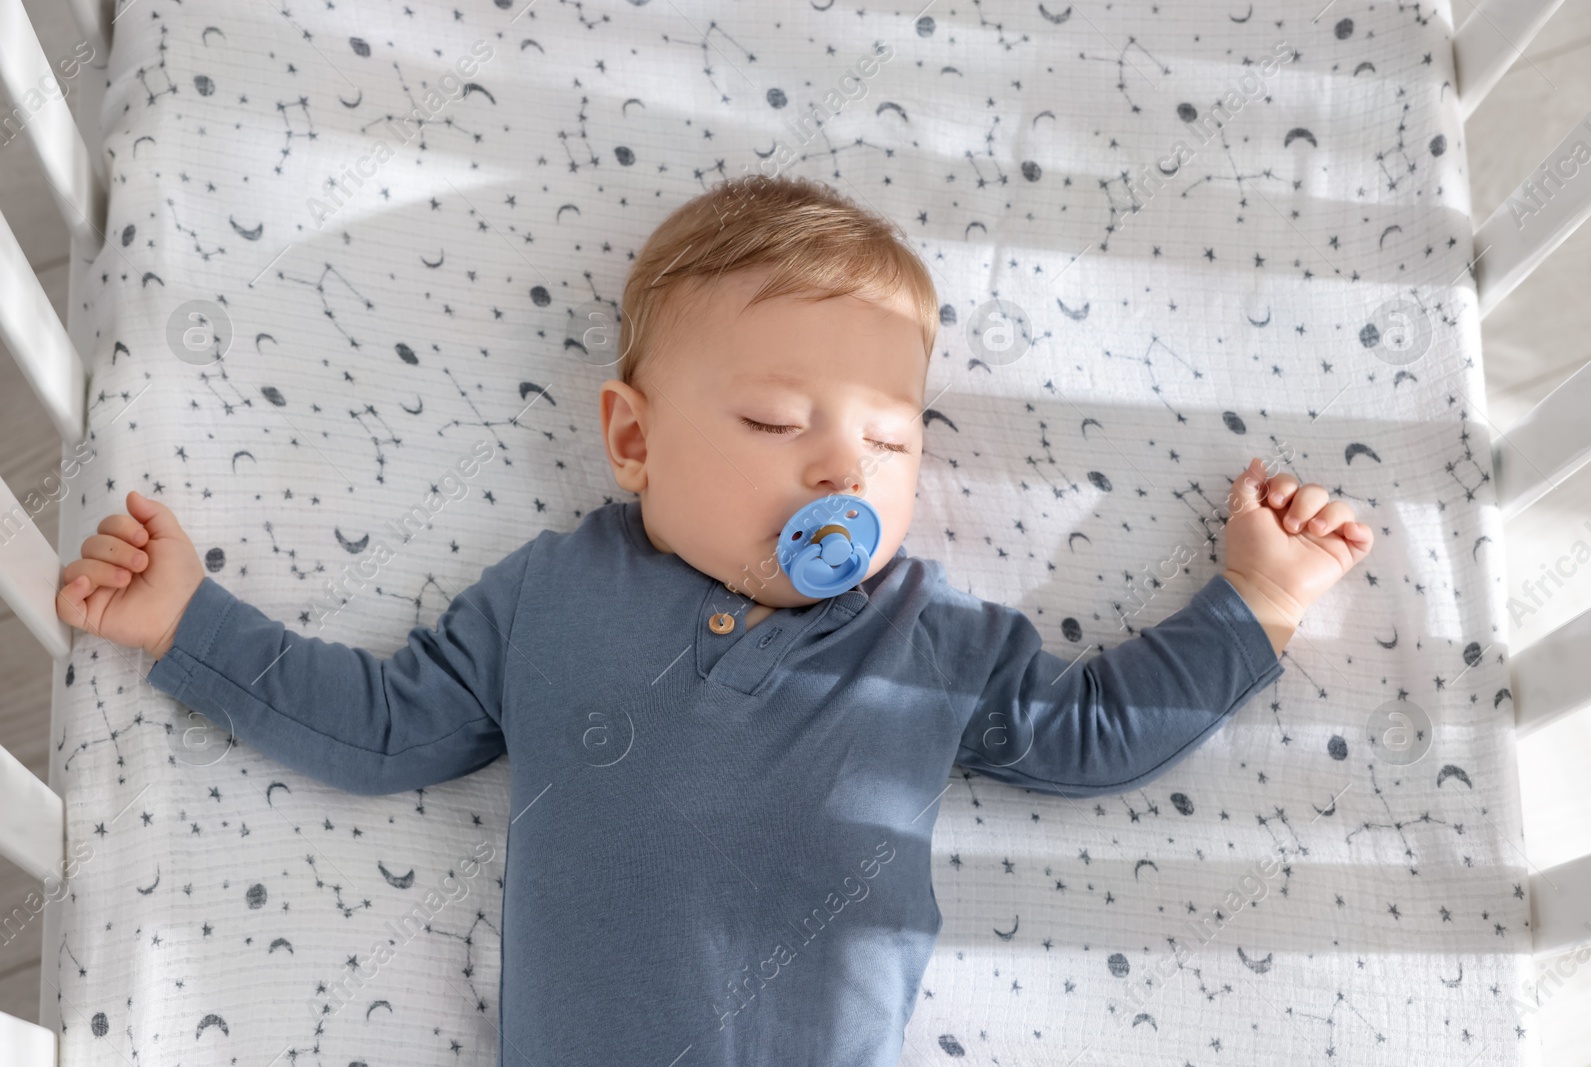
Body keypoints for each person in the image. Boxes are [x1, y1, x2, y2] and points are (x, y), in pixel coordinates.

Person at [55, 174, 1371, 1065]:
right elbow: (392, 727)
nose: (841, 473)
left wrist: (1254, 603)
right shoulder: (554, 591)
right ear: (632, 437)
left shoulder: (931, 635)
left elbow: (1085, 733)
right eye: (773, 423)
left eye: (891, 439)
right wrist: (192, 625)